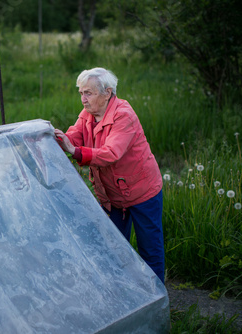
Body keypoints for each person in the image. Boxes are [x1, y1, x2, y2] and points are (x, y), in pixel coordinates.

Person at [54, 67, 165, 283]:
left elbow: (111, 153)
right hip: (113, 195)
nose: (83, 100)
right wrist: (51, 139)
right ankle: (123, 295)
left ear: (107, 92)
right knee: (113, 248)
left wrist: (75, 151)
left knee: (150, 250)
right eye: (81, 93)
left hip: (143, 192)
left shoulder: (124, 114)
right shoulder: (88, 114)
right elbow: (73, 136)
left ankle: (158, 301)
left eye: (89, 93)